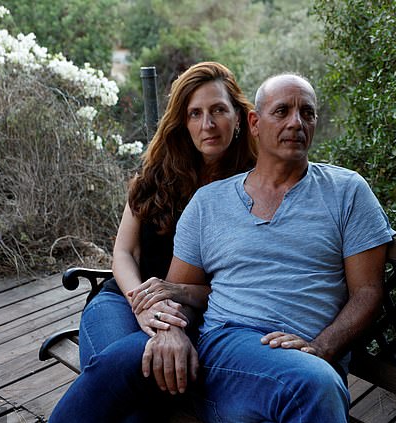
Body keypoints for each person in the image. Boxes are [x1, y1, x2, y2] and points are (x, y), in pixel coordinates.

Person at [50, 73, 395, 423]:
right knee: (133, 360)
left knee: (314, 382)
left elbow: (367, 290)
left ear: (238, 120)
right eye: (282, 112)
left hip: (296, 358)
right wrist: (170, 330)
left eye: (307, 113)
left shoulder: (347, 191)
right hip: (211, 338)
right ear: (256, 123)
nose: (296, 122)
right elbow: (149, 271)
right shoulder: (205, 198)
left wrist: (321, 347)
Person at [49, 61, 256, 422]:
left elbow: (243, 283)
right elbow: (125, 252)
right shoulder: (156, 174)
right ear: (183, 122)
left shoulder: (254, 186)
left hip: (198, 317)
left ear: (238, 117)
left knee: (140, 390)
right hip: (123, 299)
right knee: (138, 381)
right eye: (195, 113)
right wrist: (143, 304)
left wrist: (169, 317)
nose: (207, 124)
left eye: (218, 110)